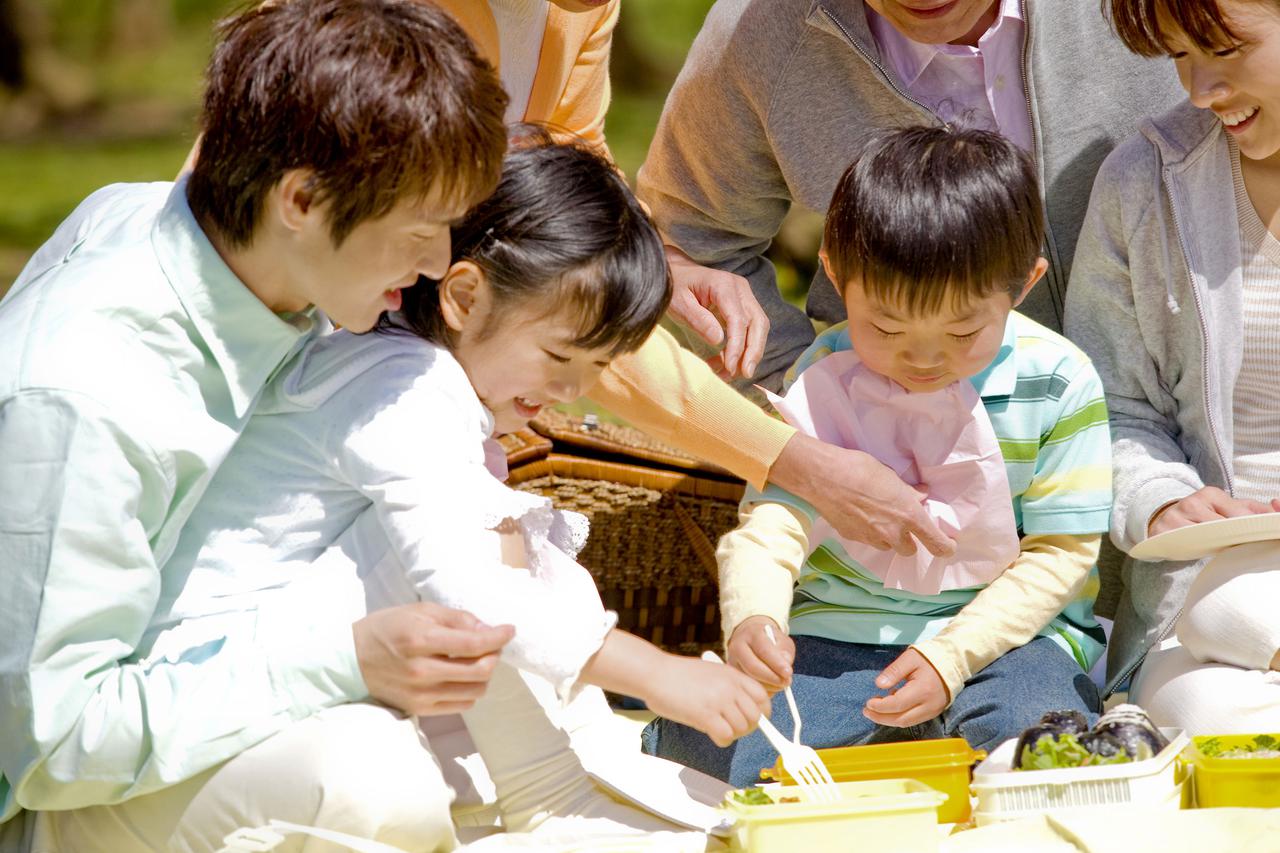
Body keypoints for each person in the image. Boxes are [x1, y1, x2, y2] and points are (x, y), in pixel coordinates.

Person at [136, 137, 770, 850]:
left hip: (252, 704)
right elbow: (472, 592)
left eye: (595, 367)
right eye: (559, 355)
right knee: (479, 573)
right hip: (187, 729)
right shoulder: (404, 389)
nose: (568, 391)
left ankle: (548, 790)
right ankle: (548, 792)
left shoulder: (410, 377)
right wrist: (655, 672)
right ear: (465, 296)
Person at [0, 1, 513, 849]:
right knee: (369, 784)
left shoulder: (186, 234)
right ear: (302, 200)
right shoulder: (82, 397)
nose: (435, 263)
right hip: (44, 793)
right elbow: (46, 741)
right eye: (419, 231)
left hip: (183, 669)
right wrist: (340, 661)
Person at [644, 126, 1110, 786]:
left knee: (1037, 734)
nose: (923, 357)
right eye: (886, 326)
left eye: (963, 330)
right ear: (837, 273)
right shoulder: (825, 373)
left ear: (1024, 282)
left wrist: (951, 656)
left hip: (1004, 646)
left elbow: (1060, 553)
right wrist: (756, 616)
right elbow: (773, 525)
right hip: (839, 645)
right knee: (719, 746)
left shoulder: (1059, 380)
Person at [426, 0, 958, 558]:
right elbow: (558, 299)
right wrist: (793, 459)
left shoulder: (581, 12)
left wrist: (662, 266)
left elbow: (578, 206)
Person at [637, 0, 1189, 395]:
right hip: (888, 475)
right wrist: (802, 406)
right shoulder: (760, 30)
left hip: (1178, 431)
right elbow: (691, 235)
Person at [1065, 0, 1280, 732]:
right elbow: (1111, 408)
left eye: (1223, 50)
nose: (1199, 89)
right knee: (1208, 717)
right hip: (1203, 604)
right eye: (1180, 55)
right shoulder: (1143, 181)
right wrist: (1159, 498)